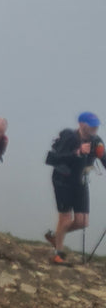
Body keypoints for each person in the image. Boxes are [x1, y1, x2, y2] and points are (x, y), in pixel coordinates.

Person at [44, 112, 106, 264]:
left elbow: (104, 159)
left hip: (80, 182)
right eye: (92, 125)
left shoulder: (97, 141)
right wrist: (77, 152)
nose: (95, 128)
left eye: (96, 125)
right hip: (63, 180)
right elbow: (52, 158)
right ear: (81, 124)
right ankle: (58, 253)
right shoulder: (68, 136)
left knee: (82, 221)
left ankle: (55, 236)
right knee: (65, 218)